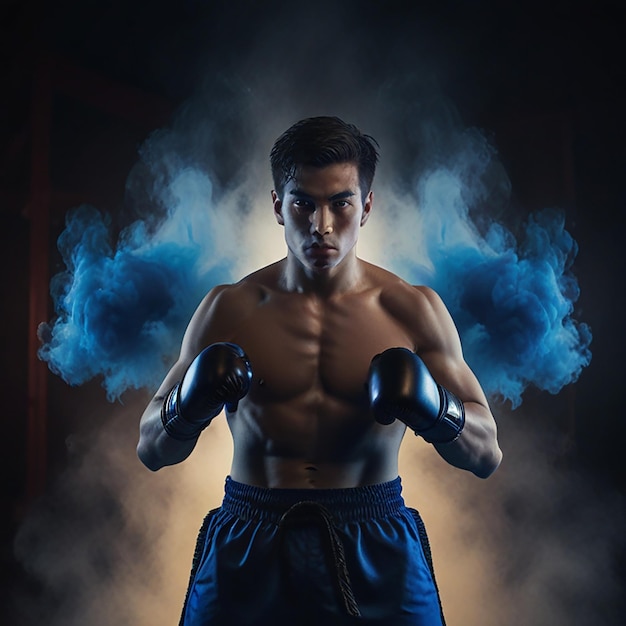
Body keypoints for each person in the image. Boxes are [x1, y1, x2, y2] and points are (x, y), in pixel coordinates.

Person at [137, 116, 502, 626]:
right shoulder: (230, 309)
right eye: (303, 203)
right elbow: (151, 449)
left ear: (367, 206)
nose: (321, 225)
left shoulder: (412, 310)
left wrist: (431, 407)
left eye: (341, 203)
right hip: (251, 533)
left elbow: (486, 454)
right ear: (277, 206)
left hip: (374, 535)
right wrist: (189, 405)